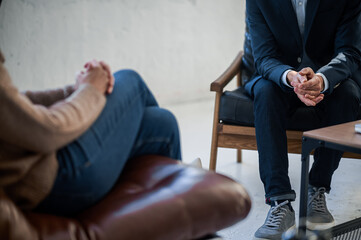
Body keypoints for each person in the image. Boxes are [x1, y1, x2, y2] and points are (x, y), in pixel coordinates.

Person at [0, 49, 181, 216]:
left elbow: (20, 106)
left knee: (162, 122)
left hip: (42, 162)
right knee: (130, 79)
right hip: (50, 178)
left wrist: (77, 90)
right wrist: (90, 89)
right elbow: (47, 130)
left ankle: (181, 201)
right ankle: (184, 191)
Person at [245, 0, 361, 239]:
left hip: (329, 77)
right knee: (265, 93)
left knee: (348, 94)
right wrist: (290, 77)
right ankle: (279, 202)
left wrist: (322, 78)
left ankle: (317, 188)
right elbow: (264, 56)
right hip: (278, 78)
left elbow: (349, 52)